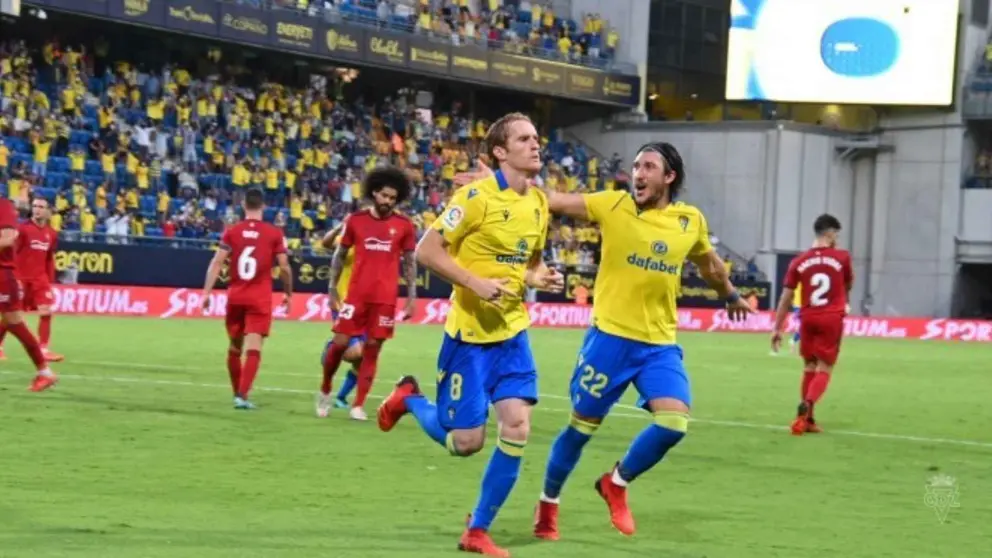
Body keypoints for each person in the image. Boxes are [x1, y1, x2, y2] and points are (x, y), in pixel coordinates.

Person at [453, 141, 753, 541]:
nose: (638, 174)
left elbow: (710, 265)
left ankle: (616, 482)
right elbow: (552, 199)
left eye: (648, 167)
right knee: (580, 431)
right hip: (609, 342)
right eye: (635, 166)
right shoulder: (612, 204)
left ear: (669, 177)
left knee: (675, 423)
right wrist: (497, 185)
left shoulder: (689, 221)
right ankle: (548, 504)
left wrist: (730, 294)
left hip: (659, 345)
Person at [376, 113, 563, 557]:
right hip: (469, 339)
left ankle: (477, 530)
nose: (535, 145)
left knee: (517, 427)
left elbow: (528, 261)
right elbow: (426, 250)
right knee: (466, 443)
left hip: (513, 335)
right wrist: (474, 283)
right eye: (524, 139)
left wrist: (538, 277)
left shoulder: (538, 202)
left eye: (537, 137)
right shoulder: (474, 198)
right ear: (501, 152)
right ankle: (410, 399)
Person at [317, 167, 417, 421]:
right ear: (374, 193)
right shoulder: (356, 221)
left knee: (371, 351)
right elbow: (339, 256)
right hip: (355, 297)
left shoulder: (404, 225)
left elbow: (409, 262)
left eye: (393, 198)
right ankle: (326, 388)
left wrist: (411, 297)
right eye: (384, 196)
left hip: (384, 300)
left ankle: (358, 405)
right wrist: (331, 289)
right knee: (340, 345)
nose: (387, 202)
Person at [202, 187, 293, 410]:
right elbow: (284, 267)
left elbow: (216, 261)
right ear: (263, 206)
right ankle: (242, 395)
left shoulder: (232, 232)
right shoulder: (274, 234)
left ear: (244, 206)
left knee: (235, 347)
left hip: (235, 296)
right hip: (258, 298)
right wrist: (288, 293)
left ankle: (237, 392)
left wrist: (206, 292)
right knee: (255, 347)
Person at [771, 214, 853, 435]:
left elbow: (785, 298)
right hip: (831, 317)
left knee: (809, 366)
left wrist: (777, 327)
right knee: (825, 367)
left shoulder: (798, 261)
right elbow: (848, 284)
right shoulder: (842, 257)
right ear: (829, 233)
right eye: (836, 234)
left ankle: (808, 419)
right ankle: (807, 404)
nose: (837, 238)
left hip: (807, 318)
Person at [0, 197, 58, 391]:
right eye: (35, 206)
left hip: (4, 274)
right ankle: (44, 371)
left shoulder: (3, 206)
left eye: (42, 206)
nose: (37, 210)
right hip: (16, 275)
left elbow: (7, 239)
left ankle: (44, 368)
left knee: (15, 321)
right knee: (13, 321)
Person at [318, 223, 365, 411]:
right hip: (345, 303)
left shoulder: (380, 245)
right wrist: (339, 227)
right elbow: (326, 243)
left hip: (368, 307)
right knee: (355, 352)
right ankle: (332, 347)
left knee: (364, 357)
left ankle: (341, 397)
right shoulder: (349, 242)